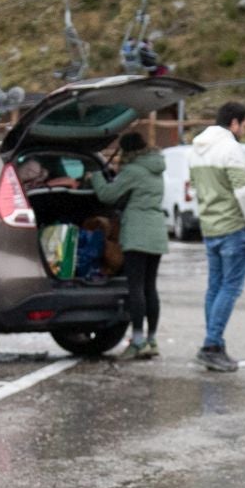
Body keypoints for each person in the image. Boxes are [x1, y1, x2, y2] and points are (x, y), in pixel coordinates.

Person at [189, 101, 245, 372]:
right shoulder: (231, 148)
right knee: (230, 288)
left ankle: (215, 344)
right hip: (234, 228)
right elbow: (243, 191)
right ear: (234, 123)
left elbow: (194, 189)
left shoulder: (195, 149)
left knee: (215, 288)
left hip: (210, 227)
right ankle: (211, 345)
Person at [90, 130, 166, 360]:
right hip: (156, 231)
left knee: (135, 288)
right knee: (150, 287)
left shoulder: (132, 170)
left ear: (128, 150)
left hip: (137, 233)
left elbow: (106, 194)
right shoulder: (155, 167)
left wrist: (95, 174)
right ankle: (151, 340)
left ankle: (137, 341)